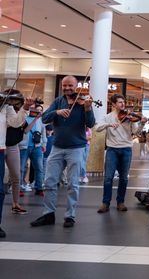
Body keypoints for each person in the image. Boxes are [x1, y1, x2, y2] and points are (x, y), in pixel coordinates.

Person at [30, 75, 96, 228]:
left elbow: (91, 123)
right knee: (49, 181)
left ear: (76, 86)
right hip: (57, 147)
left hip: (76, 148)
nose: (67, 88)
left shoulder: (83, 102)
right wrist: (57, 112)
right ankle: (48, 214)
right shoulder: (58, 101)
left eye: (70, 85)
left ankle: (70, 216)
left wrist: (87, 108)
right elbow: (44, 118)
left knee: (73, 184)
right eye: (64, 85)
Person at [96, 94, 147, 213]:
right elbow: (98, 128)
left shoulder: (130, 117)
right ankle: (105, 203)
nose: (123, 104)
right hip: (112, 150)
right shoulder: (108, 117)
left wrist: (142, 123)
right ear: (114, 104)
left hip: (126, 149)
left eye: (123, 102)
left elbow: (136, 132)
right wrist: (108, 125)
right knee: (108, 177)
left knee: (124, 178)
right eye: (120, 102)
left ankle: (120, 202)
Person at [0, 93, 33, 237]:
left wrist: (26, 108)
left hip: (6, 147)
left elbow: (17, 124)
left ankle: (14, 205)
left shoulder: (7, 108)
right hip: (3, 146)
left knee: (5, 185)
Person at [21, 103, 47, 196]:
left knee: (39, 168)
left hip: (37, 147)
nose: (35, 111)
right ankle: (19, 188)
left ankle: (39, 188)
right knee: (21, 168)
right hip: (24, 146)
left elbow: (43, 133)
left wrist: (44, 144)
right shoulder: (24, 117)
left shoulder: (40, 120)